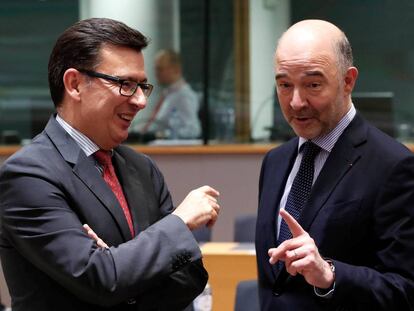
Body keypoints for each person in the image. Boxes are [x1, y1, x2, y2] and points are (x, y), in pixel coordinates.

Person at [0, 18, 220, 311]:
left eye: (142, 85)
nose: (140, 101)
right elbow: (100, 279)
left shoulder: (141, 168)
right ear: (75, 84)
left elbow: (188, 278)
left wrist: (118, 264)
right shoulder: (28, 175)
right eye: (126, 84)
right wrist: (177, 224)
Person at [256, 19, 414, 310]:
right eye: (284, 85)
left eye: (313, 85)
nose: (296, 102)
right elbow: (275, 284)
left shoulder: (394, 165)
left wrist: (329, 274)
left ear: (348, 81)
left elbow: (404, 289)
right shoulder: (275, 161)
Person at [139, 49, 201, 140]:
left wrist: (162, 135)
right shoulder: (168, 94)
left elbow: (193, 130)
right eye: (156, 69)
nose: (156, 74)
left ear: (176, 69)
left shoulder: (184, 96)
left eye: (160, 69)